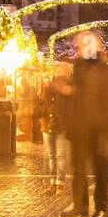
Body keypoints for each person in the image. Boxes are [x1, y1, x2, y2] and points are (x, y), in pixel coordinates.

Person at [64, 31, 108, 217]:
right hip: (79, 126)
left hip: (99, 127)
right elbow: (74, 97)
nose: (82, 48)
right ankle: (80, 205)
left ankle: (100, 206)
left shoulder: (106, 71)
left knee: (99, 168)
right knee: (77, 167)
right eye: (81, 44)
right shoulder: (77, 68)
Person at [41, 63, 72, 191]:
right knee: (53, 155)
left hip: (59, 124)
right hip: (49, 123)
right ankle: (55, 182)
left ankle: (59, 182)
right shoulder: (48, 87)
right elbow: (41, 104)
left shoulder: (68, 90)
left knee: (58, 155)